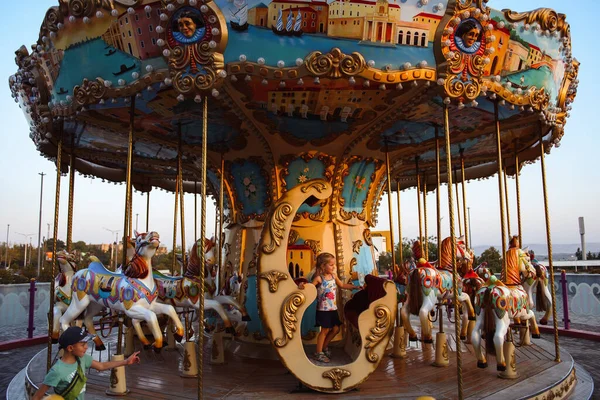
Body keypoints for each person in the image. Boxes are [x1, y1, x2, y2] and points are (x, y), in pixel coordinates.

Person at [33, 327, 140, 400]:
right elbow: (37, 396)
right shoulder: (57, 371)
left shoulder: (83, 359)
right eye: (82, 344)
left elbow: (102, 366)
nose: (86, 347)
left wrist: (126, 362)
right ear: (70, 348)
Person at [300, 252, 360, 363]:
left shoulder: (333, 276)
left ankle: (323, 347)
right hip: (323, 310)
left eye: (334, 264)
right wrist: (302, 286)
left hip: (333, 309)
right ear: (323, 266)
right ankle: (319, 352)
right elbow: (310, 288)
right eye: (331, 265)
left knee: (336, 329)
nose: (334, 267)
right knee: (325, 330)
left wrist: (355, 286)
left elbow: (342, 285)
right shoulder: (319, 278)